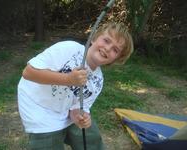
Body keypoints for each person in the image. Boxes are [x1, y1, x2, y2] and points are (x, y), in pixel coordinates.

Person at [17, 22, 133, 150]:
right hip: (38, 106)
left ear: (116, 59)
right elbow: (28, 73)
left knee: (90, 137)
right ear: (93, 38)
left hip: (64, 110)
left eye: (115, 50)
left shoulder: (97, 81)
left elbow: (76, 108)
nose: (108, 48)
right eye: (106, 40)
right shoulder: (68, 49)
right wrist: (68, 79)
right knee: (49, 143)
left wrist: (79, 117)